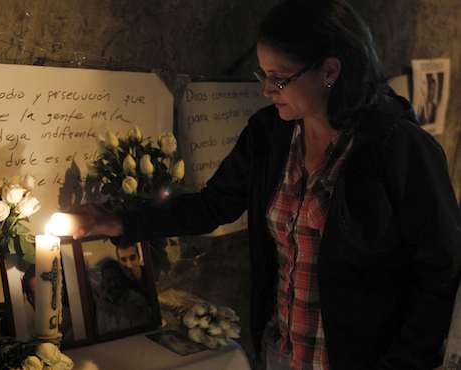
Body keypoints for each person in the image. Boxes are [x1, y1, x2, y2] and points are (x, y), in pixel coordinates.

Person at [72, 1, 461, 369]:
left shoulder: (399, 148)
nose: (266, 91)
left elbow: (440, 269)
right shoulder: (269, 135)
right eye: (264, 75)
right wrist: (120, 223)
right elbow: (213, 206)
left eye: (278, 79)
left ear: (329, 71)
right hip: (282, 353)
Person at [93, 258, 151, 336]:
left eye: (116, 278)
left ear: (122, 278)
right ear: (103, 282)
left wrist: (112, 308)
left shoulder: (136, 299)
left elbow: (137, 320)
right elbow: (102, 333)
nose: (114, 284)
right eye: (109, 280)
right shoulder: (102, 302)